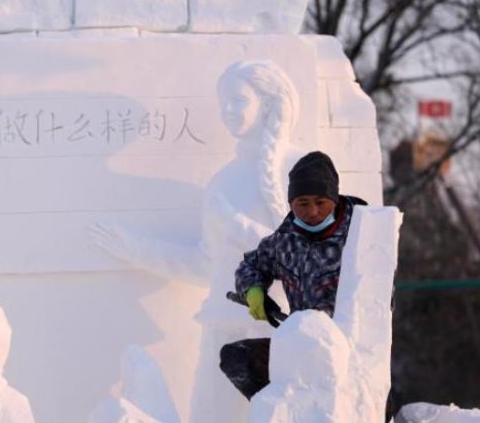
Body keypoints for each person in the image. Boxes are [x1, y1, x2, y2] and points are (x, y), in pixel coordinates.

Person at [91, 60, 305, 423]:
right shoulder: (223, 182)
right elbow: (205, 264)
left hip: (278, 329)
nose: (227, 112)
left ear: (267, 102)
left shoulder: (299, 168)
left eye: (238, 100)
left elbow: (309, 254)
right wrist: (137, 250)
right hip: (222, 326)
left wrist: (238, 226)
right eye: (224, 103)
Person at [220, 151, 367, 400]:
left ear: (335, 198)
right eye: (303, 203)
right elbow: (251, 265)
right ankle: (283, 411)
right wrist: (254, 291)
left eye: (321, 202)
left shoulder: (362, 234)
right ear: (291, 204)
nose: (312, 212)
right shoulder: (285, 240)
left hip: (351, 354)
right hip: (300, 346)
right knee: (237, 358)